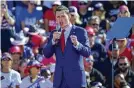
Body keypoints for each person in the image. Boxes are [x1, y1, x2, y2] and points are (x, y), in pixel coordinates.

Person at [43, 5, 90, 88]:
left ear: (69, 16)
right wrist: (53, 41)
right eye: (58, 17)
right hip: (59, 80)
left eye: (63, 16)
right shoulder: (54, 33)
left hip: (76, 79)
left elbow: (87, 52)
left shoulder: (80, 31)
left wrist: (77, 44)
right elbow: (46, 54)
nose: (60, 19)